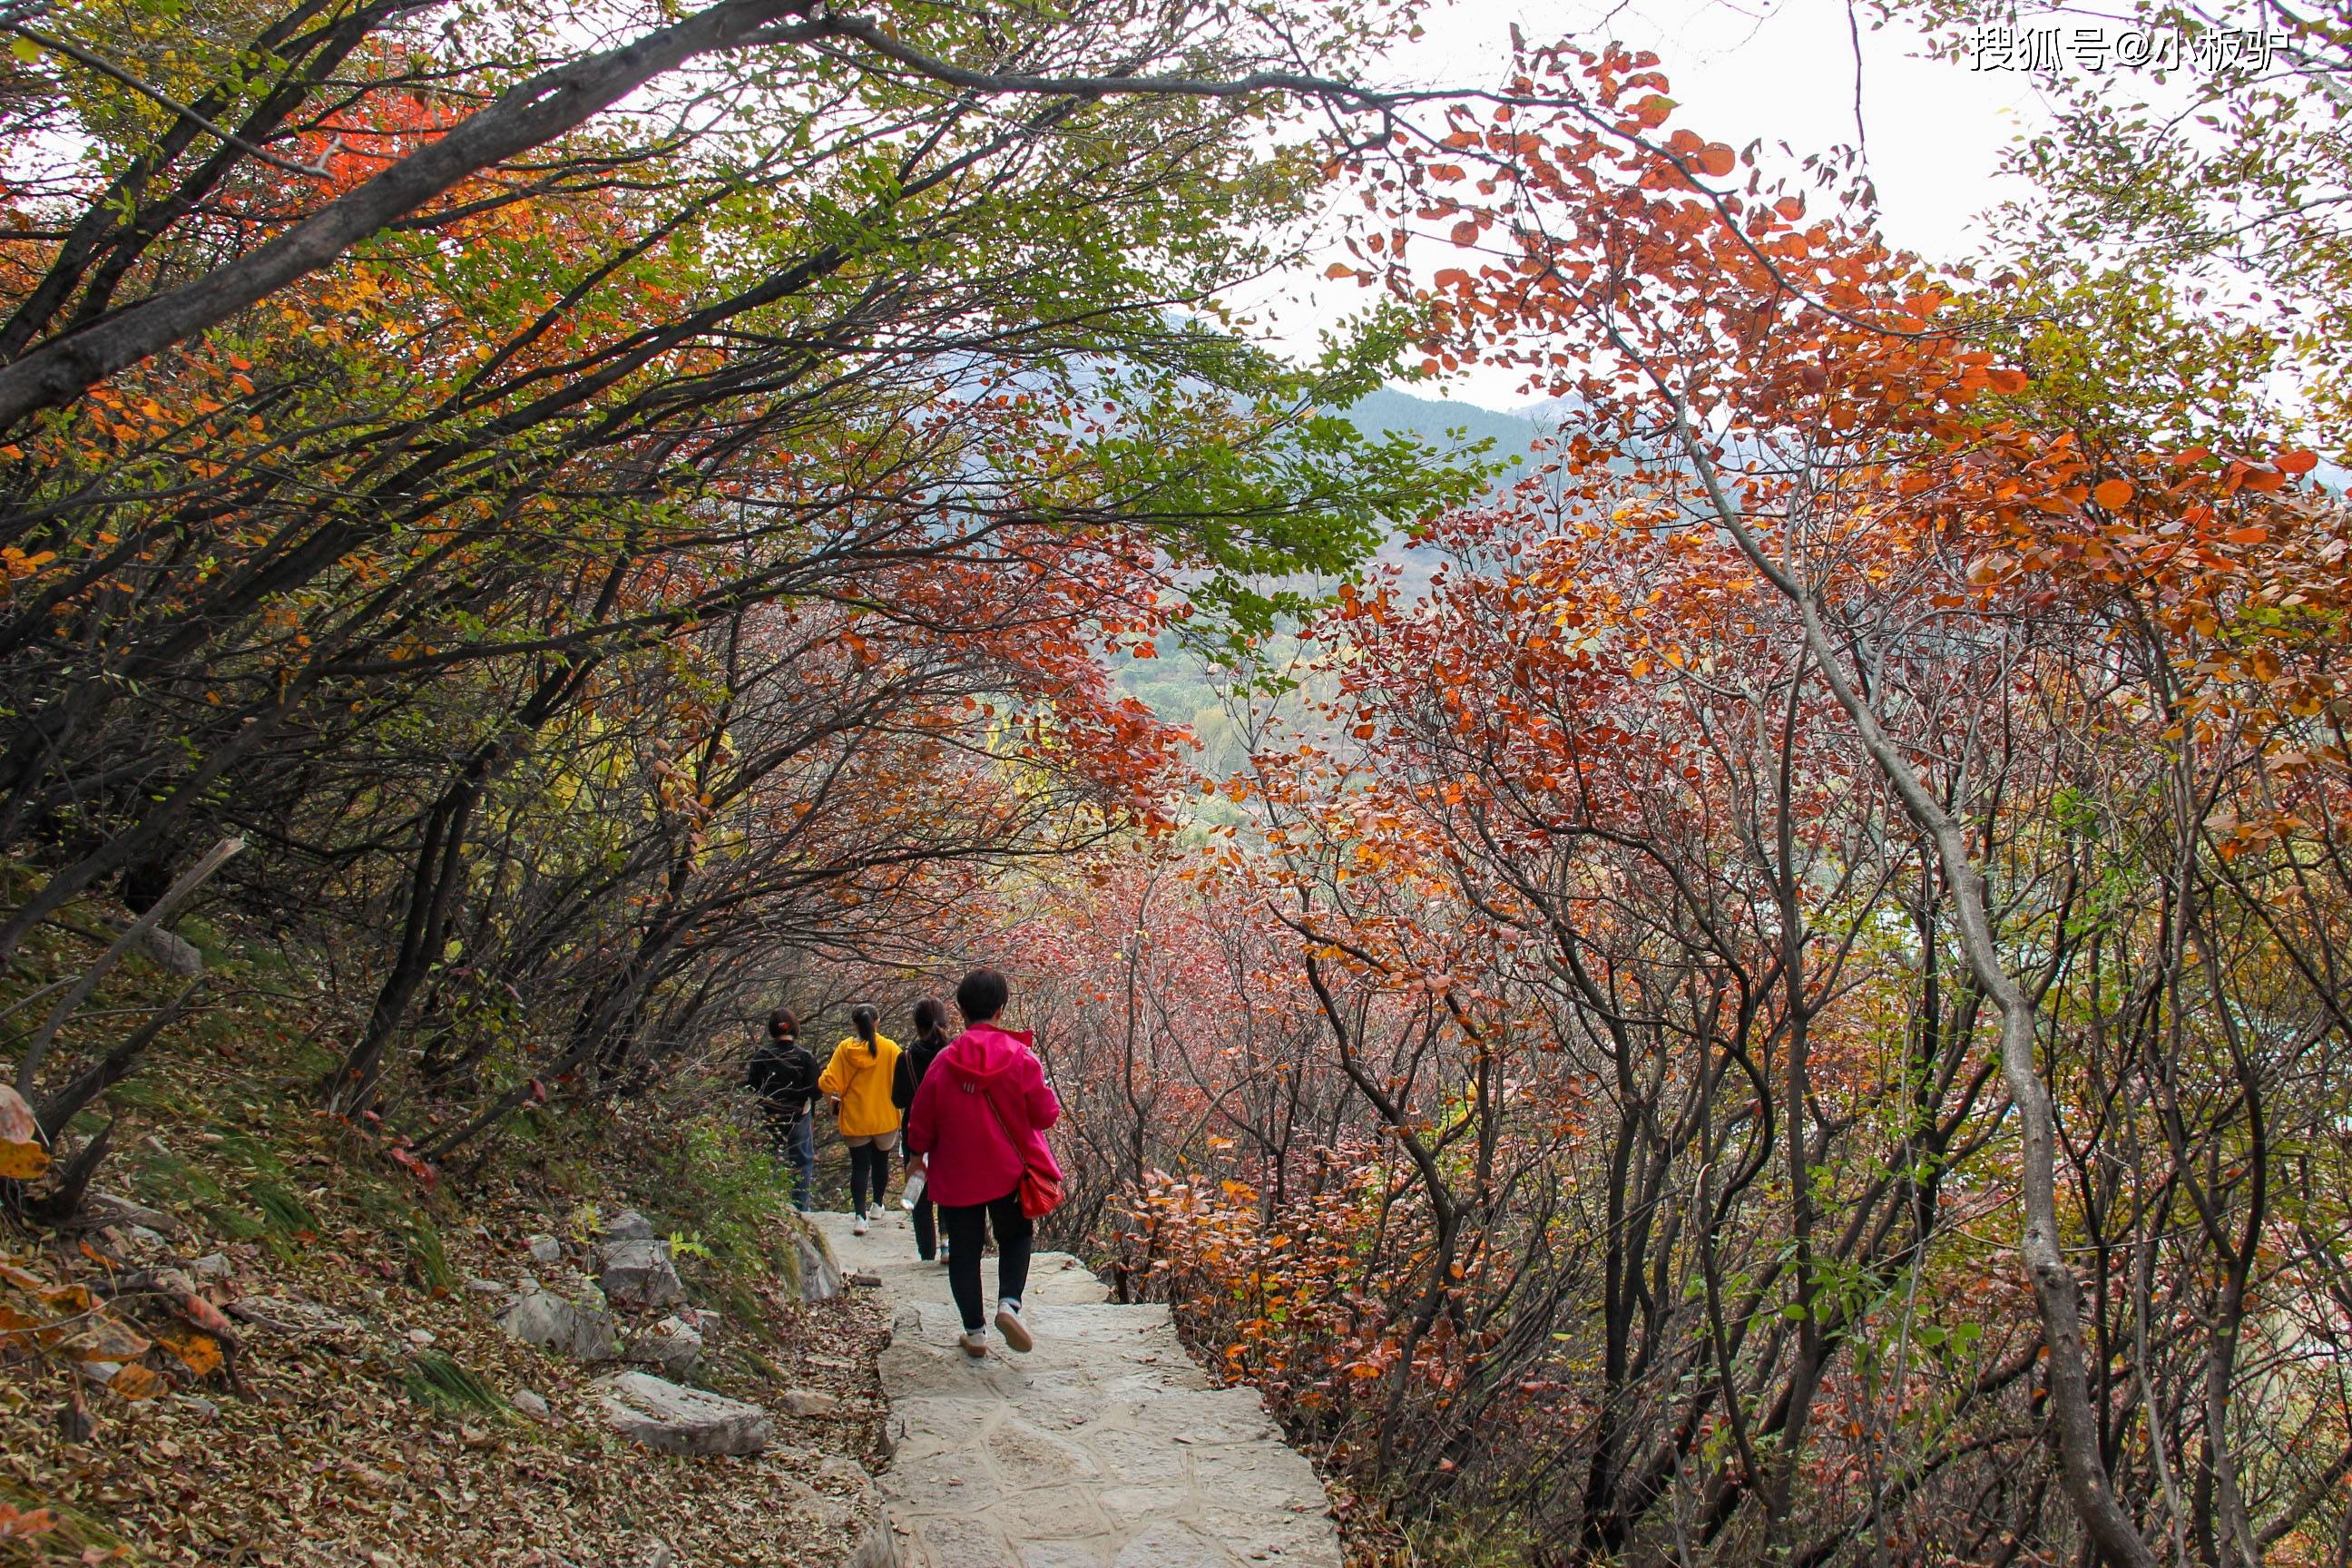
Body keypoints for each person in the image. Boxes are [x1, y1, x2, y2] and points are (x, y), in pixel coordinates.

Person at [904, 967, 1060, 1358]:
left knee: (964, 1251)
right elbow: (1045, 1115)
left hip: (956, 1173)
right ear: (1001, 1009)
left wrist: (916, 1157)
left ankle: (974, 1333)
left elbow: (920, 1119)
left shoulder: (943, 1061)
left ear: (960, 1009)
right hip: (1008, 1172)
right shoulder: (1021, 1058)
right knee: (1016, 1237)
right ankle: (1009, 1303)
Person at [817, 1004, 902, 1233]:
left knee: (860, 1167)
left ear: (855, 1025)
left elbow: (825, 1083)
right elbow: (903, 1078)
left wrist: (831, 1101)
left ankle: (859, 1217)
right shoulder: (890, 1048)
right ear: (877, 1022)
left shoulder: (845, 1049)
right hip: (885, 1117)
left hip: (855, 1119)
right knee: (881, 1162)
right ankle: (877, 1205)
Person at [891, 997, 954, 1264]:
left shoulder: (906, 1058)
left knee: (919, 1188)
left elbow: (898, 1099)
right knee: (949, 1188)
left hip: (915, 1130)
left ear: (916, 1025)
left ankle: (925, 1252)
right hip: (950, 1128)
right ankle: (948, 1244)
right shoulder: (955, 1054)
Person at [745, 1008, 818, 1211]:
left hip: (769, 1115)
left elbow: (751, 1086)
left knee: (768, 1160)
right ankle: (800, 1208)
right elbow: (816, 1090)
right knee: (802, 1162)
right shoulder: (805, 1056)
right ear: (795, 1027)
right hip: (799, 1115)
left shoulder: (762, 1055)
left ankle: (769, 1204)